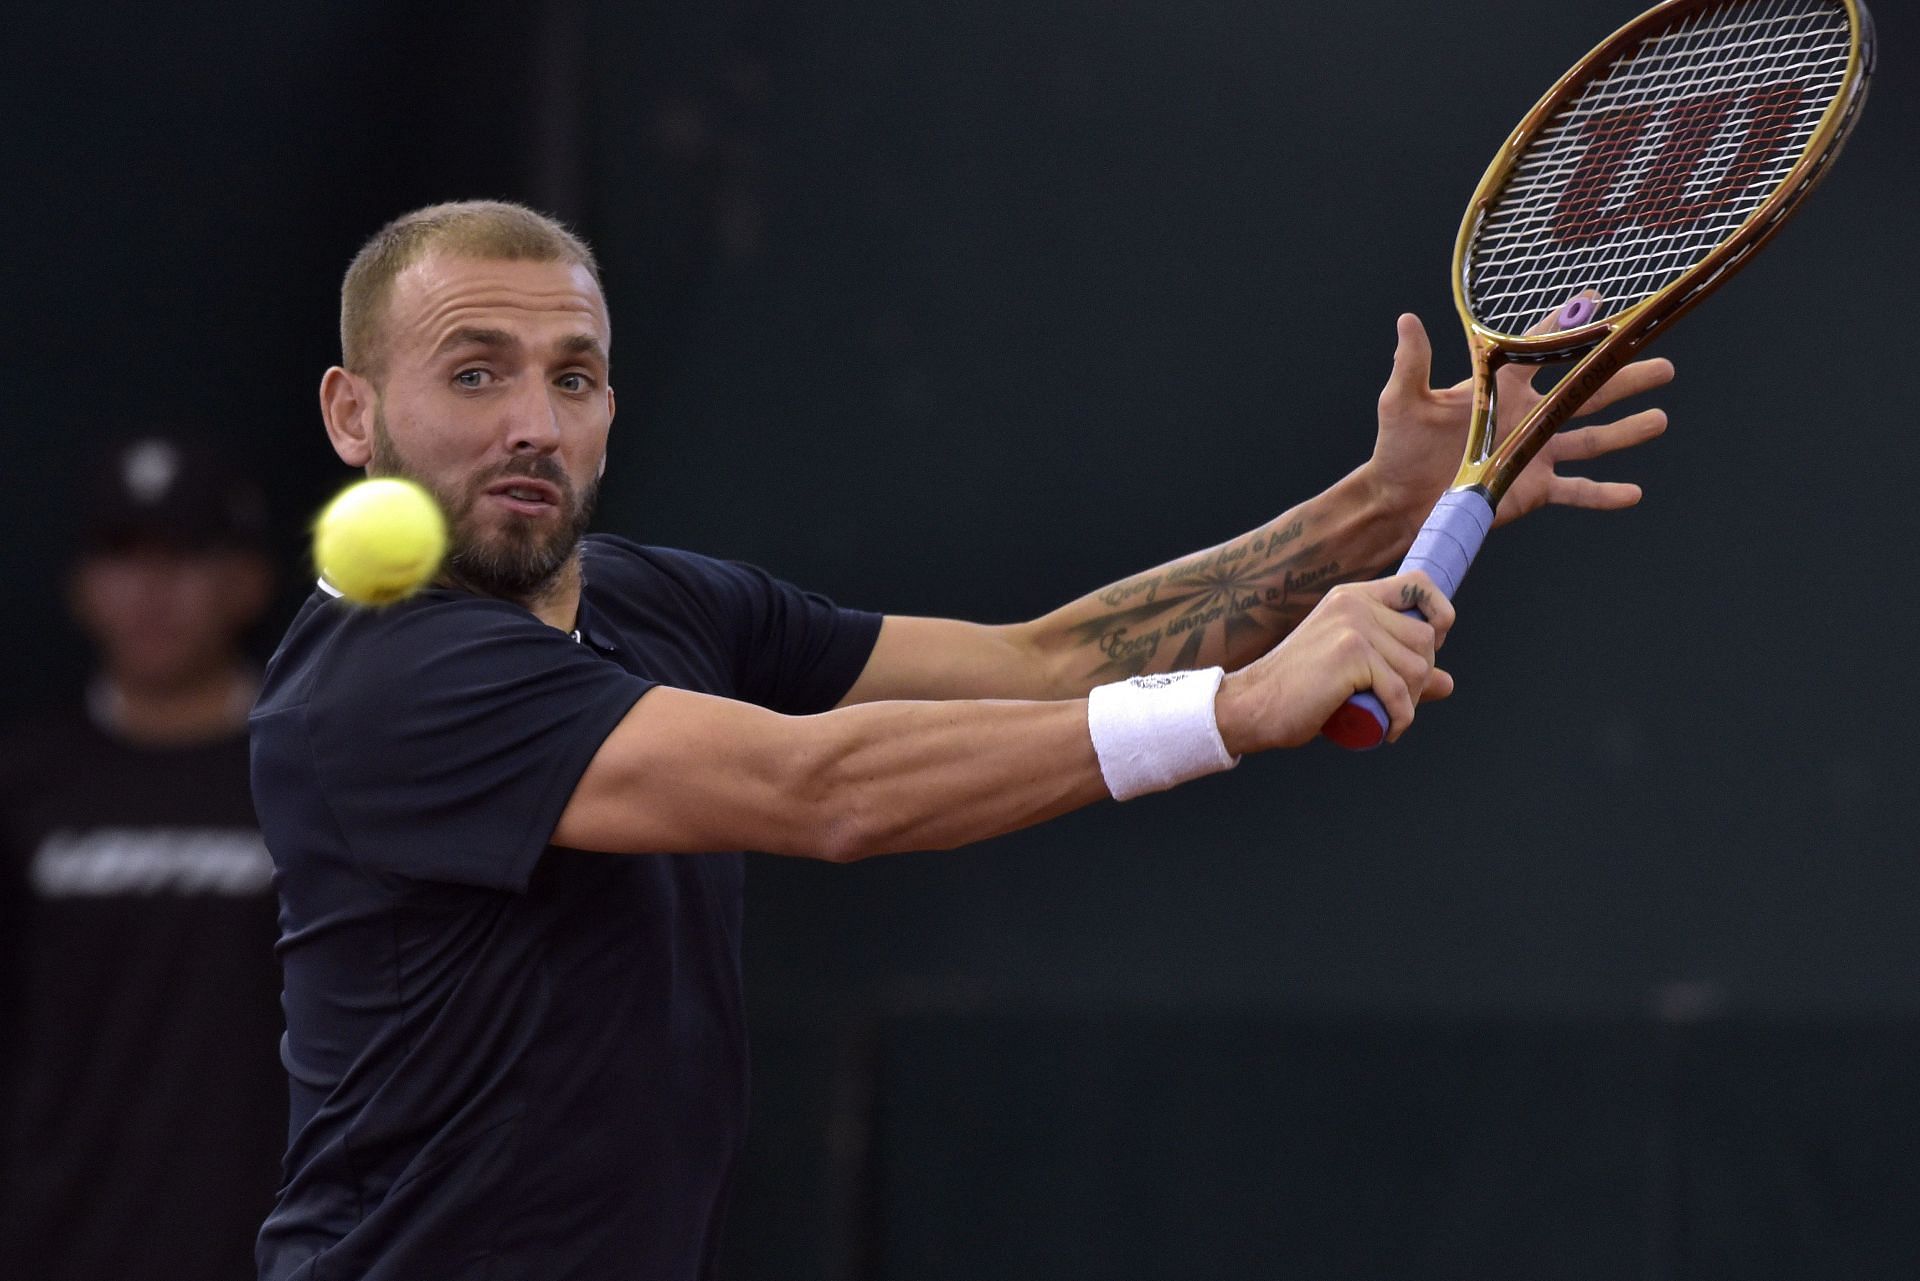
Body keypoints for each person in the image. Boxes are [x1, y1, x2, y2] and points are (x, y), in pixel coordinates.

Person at [251, 201, 1672, 1280]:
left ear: (612, 409)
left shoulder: (646, 598)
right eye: (476, 373)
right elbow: (828, 792)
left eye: (572, 378)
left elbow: (1035, 661)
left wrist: (1370, 509)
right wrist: (1239, 711)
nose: (533, 424)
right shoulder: (386, 687)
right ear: (353, 411)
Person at [0, 435, 283, 1280]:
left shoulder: (322, 777)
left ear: (247, 582)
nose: (152, 592)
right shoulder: (23, 784)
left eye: (187, 555)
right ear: (84, 589)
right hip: (58, 1239)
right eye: (124, 557)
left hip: (276, 1245)